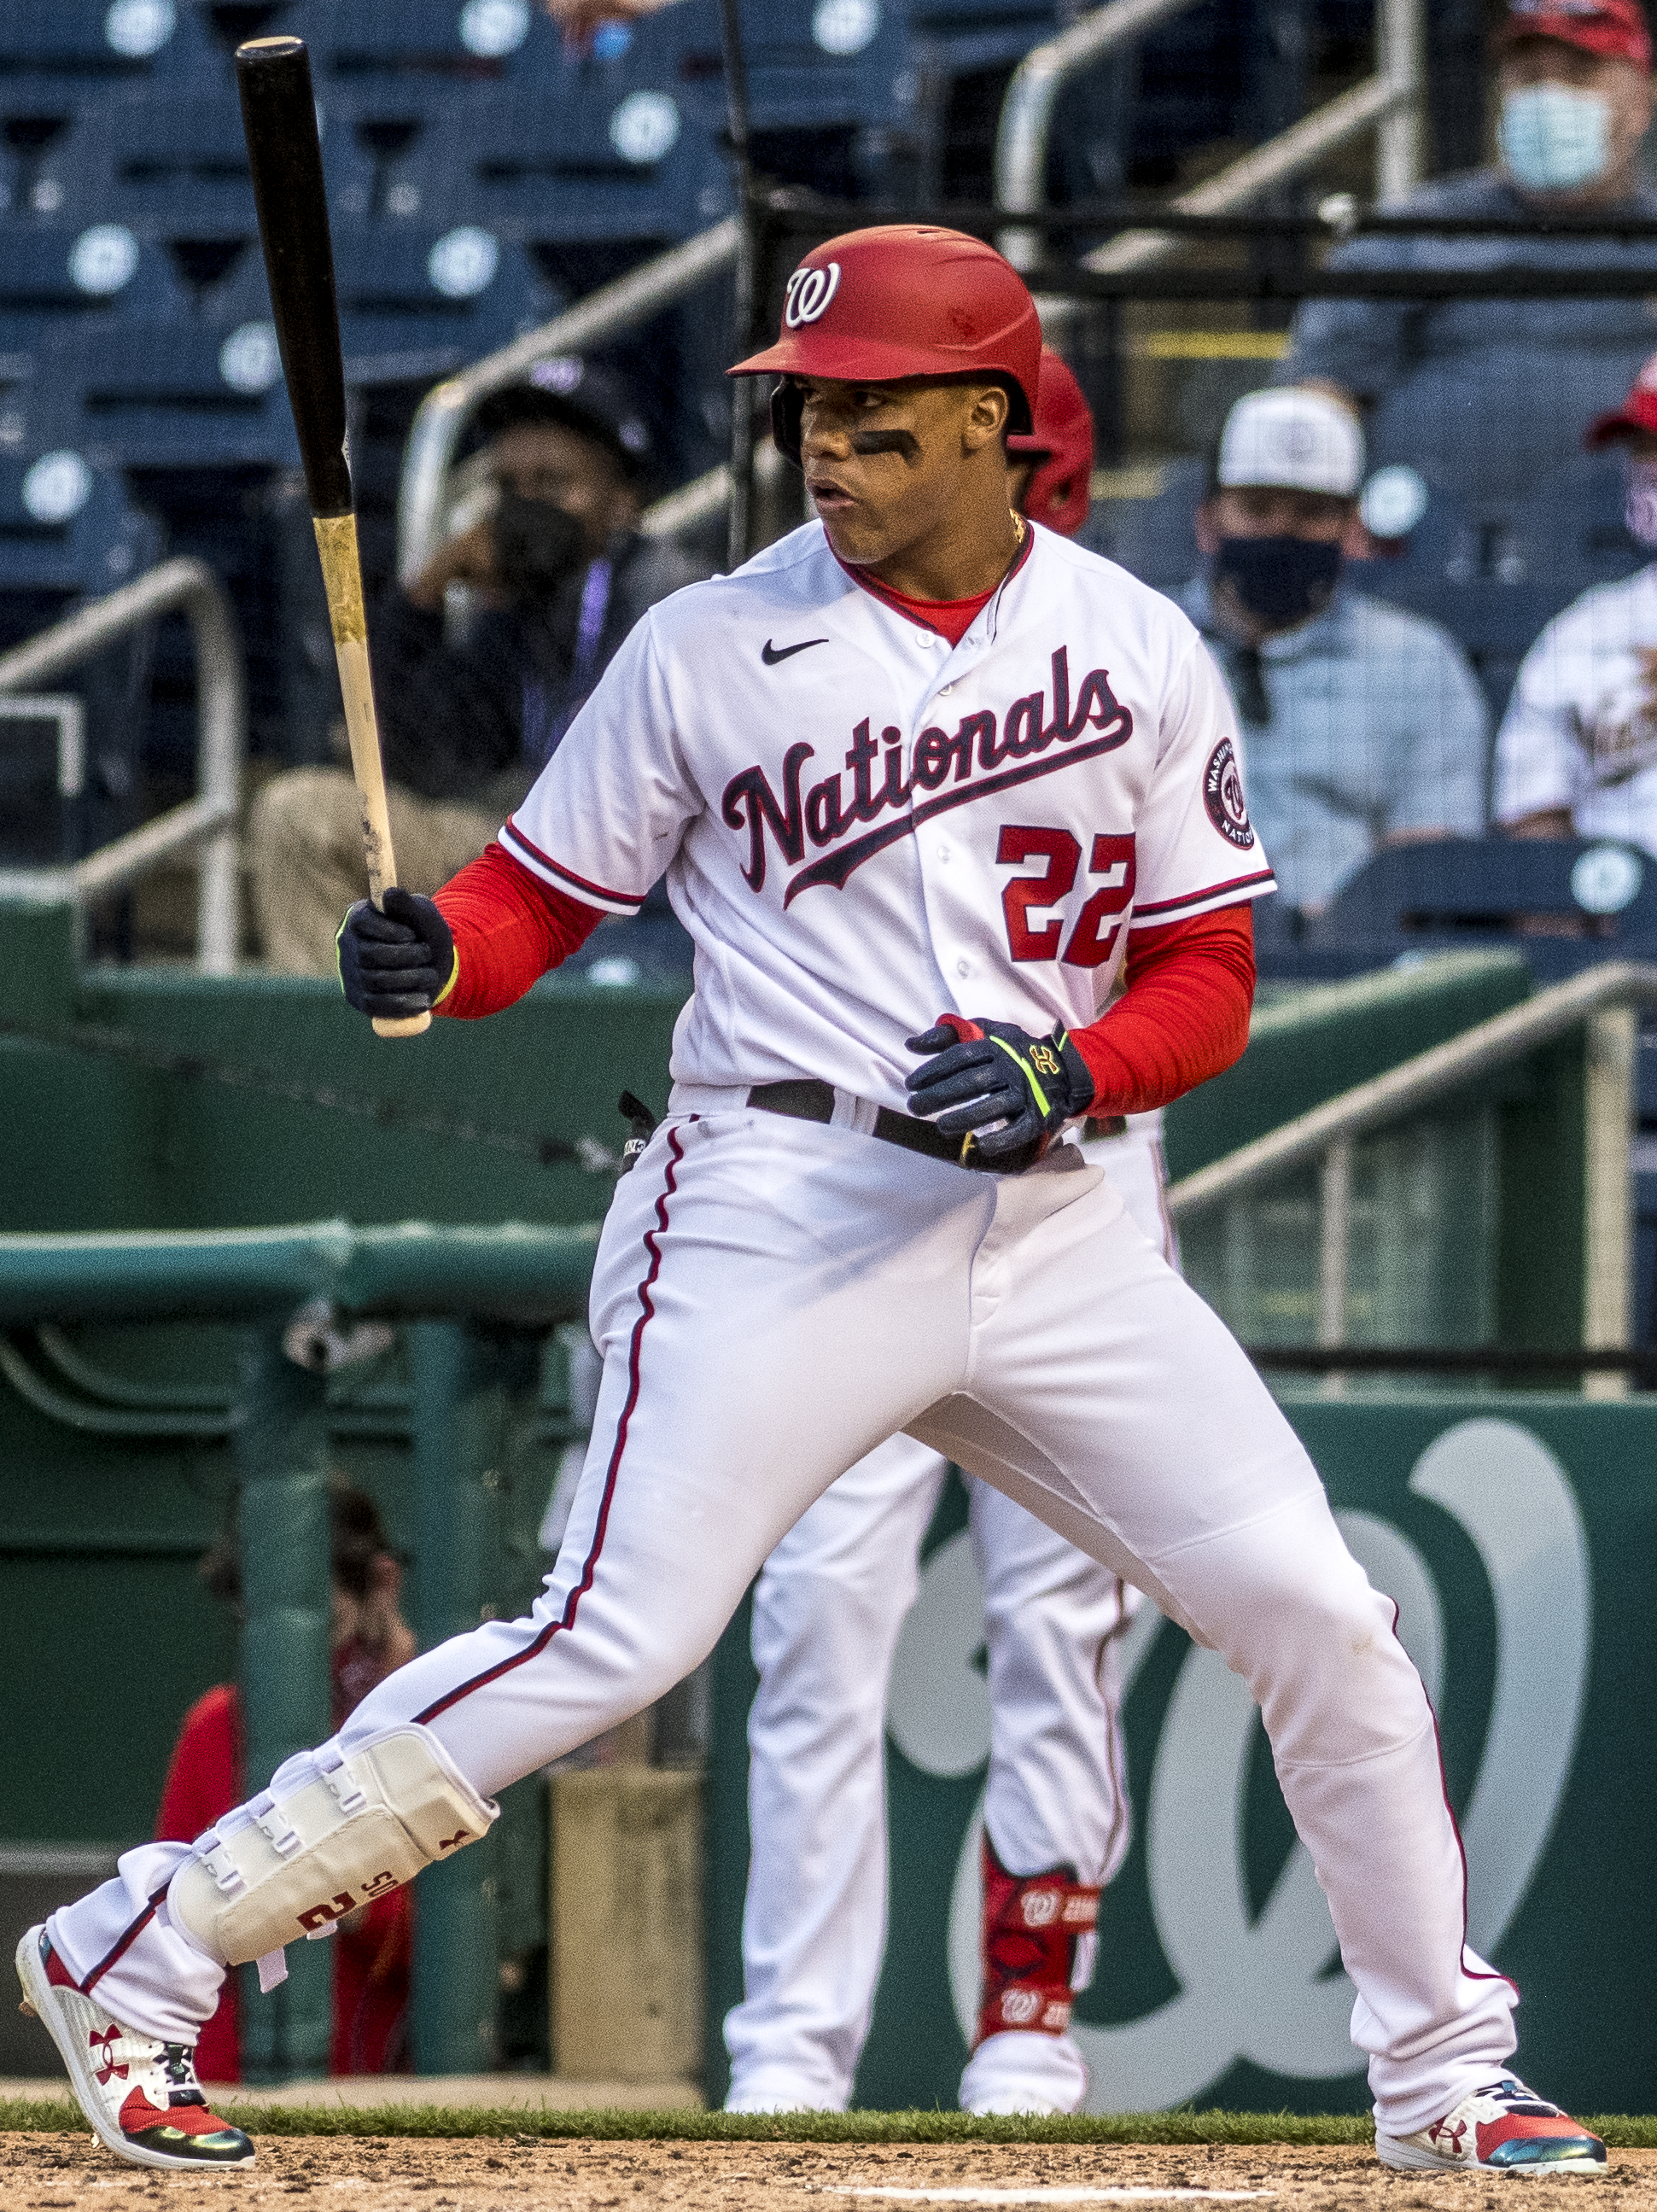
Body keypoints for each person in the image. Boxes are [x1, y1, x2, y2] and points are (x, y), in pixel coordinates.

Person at [25, 225, 1602, 2181]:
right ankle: (142, 1943)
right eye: (808, 415)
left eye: (868, 415)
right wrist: (438, 949)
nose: (826, 450)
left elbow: (1206, 977)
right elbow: (535, 900)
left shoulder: (1134, 642)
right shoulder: (708, 642)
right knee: (612, 1637)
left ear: (993, 421)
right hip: (784, 1194)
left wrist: (1075, 1068)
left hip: (1061, 1222)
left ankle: (1444, 2068)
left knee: (1320, 1613)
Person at [725, 353, 1150, 2119]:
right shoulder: (784, 652)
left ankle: (1029, 2024)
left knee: (1064, 1610)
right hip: (843, 1192)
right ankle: (787, 2056)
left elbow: (1193, 952)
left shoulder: (1123, 650)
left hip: (1076, 1180)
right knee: (819, 1609)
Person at [248, 359, 696, 974]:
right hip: (513, 845)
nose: (527, 506)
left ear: (623, 501)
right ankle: (347, 1059)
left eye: (553, 483)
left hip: (619, 865)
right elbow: (413, 758)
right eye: (511, 488)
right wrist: (424, 597)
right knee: (301, 816)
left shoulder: (669, 596)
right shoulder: (516, 606)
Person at [1276, 0, 1657, 509]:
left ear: (1642, 100)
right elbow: (1317, 398)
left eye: (1580, 75)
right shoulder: (1414, 232)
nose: (1549, 97)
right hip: (1414, 562)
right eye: (1528, 76)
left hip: (1627, 559)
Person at [1179, 385, 1488, 915]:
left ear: (1351, 530)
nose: (1282, 530)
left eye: (1310, 513)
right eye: (1257, 509)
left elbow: (1429, 860)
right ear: (1208, 522)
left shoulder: (1415, 660)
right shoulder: (1143, 647)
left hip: (1357, 967)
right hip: (1170, 958)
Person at [153, 1484, 417, 2083]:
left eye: (326, 1615)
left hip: (374, 2084)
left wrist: (341, 1888)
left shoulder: (411, 1722)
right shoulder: (215, 1726)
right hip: (223, 2072)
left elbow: (446, 1955)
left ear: (379, 1588)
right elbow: (167, 1935)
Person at [1495, 349, 1657, 842]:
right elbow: (1534, 819)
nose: (1650, 468)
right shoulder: (1588, 628)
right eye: (1643, 446)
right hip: (1618, 908)